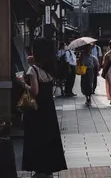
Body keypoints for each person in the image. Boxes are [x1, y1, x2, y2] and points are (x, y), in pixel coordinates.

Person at [20, 38, 67, 176]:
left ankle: (39, 168)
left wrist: (22, 83)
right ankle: (49, 167)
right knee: (49, 137)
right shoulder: (50, 68)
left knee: (36, 138)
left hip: (36, 110)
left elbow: (34, 92)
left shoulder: (33, 70)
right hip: (49, 109)